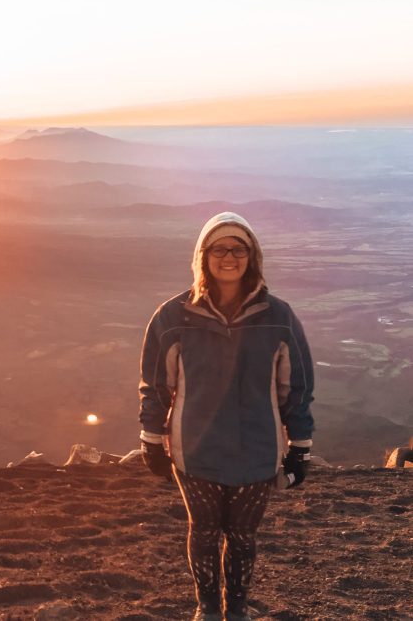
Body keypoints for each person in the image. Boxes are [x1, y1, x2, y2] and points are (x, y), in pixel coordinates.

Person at [138, 212, 314, 621]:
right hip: (194, 451)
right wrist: (151, 438)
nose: (229, 256)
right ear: (203, 256)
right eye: (219, 248)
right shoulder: (173, 317)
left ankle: (235, 609)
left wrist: (299, 447)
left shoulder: (279, 317)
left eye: (239, 248)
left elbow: (297, 388)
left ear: (253, 257)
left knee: (242, 536)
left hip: (257, 451)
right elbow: (156, 384)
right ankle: (207, 609)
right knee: (202, 532)